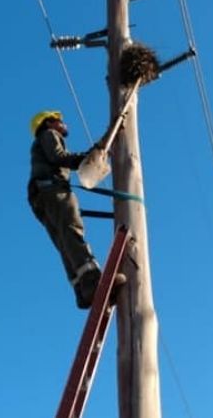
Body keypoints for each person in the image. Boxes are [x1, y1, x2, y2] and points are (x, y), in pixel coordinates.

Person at [27, 110, 121, 309]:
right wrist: (88, 158)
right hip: (52, 190)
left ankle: (82, 291)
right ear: (49, 123)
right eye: (59, 121)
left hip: (41, 196)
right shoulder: (49, 135)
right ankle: (94, 282)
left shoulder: (38, 146)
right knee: (71, 231)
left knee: (64, 241)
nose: (63, 124)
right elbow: (59, 157)